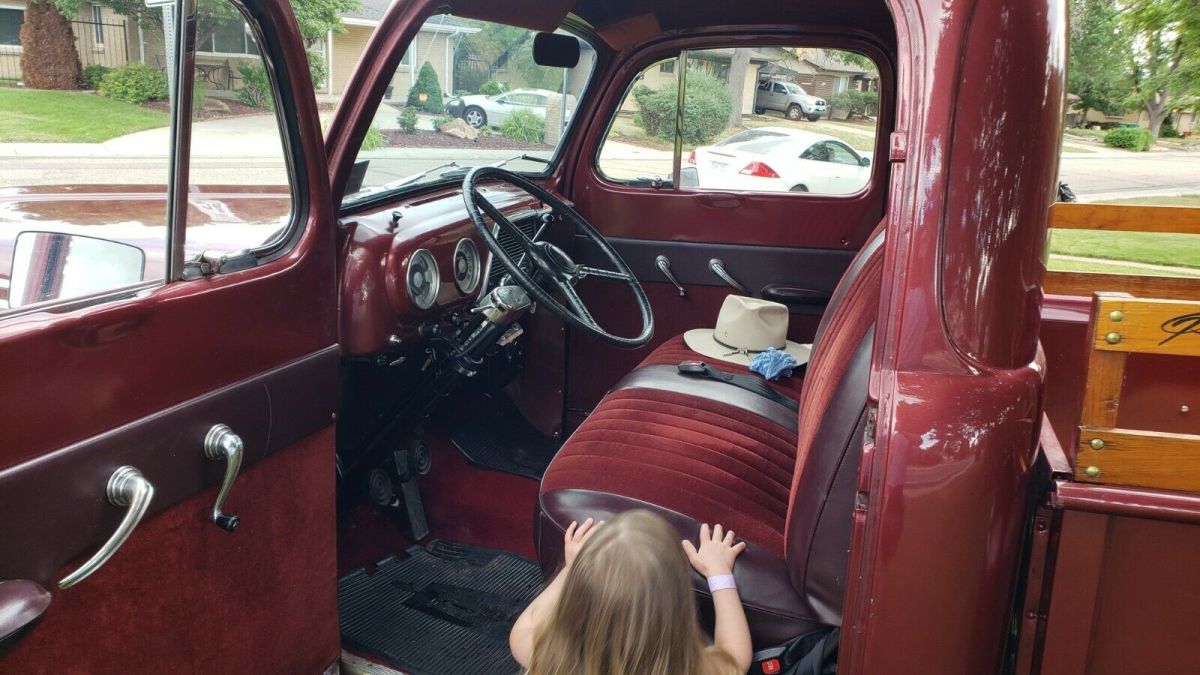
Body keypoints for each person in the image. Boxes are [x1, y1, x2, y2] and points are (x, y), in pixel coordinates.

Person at [509, 509, 753, 674]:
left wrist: (571, 570)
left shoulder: (545, 657)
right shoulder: (697, 669)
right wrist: (719, 573)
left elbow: (526, 625)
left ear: (577, 597)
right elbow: (735, 655)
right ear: (676, 604)